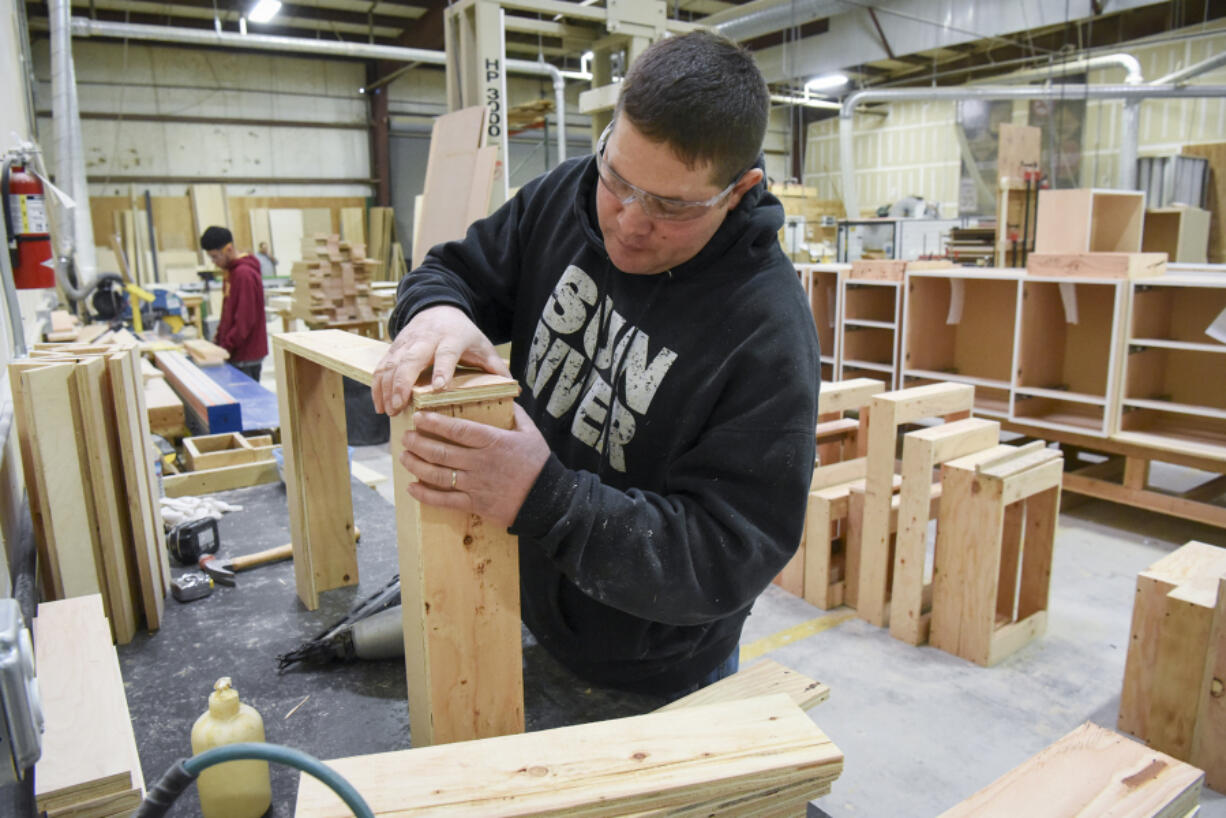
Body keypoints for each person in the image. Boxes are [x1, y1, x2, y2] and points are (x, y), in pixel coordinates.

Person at [372, 31, 821, 699]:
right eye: (618, 179)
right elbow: (451, 272)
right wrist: (434, 310)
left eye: (671, 206)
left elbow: (724, 557)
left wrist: (543, 498)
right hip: (522, 603)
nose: (629, 222)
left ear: (738, 190)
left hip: (648, 672)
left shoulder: (766, 334)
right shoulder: (565, 197)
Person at [200, 226, 269, 382]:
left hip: (246, 355)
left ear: (229, 249)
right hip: (236, 352)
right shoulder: (230, 272)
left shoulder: (243, 274)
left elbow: (245, 320)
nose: (214, 262)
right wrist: (217, 340)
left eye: (215, 257)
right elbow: (227, 314)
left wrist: (225, 348)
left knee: (248, 404)